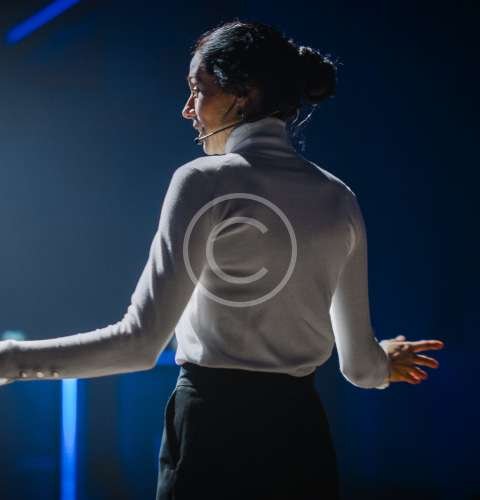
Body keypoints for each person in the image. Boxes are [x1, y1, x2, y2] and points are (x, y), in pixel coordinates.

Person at [0, 19, 444, 500]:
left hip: (211, 436)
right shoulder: (339, 198)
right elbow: (359, 368)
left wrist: (10, 360)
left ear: (244, 94)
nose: (188, 109)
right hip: (302, 441)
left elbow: (138, 343)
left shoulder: (203, 180)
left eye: (198, 89)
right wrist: (382, 362)